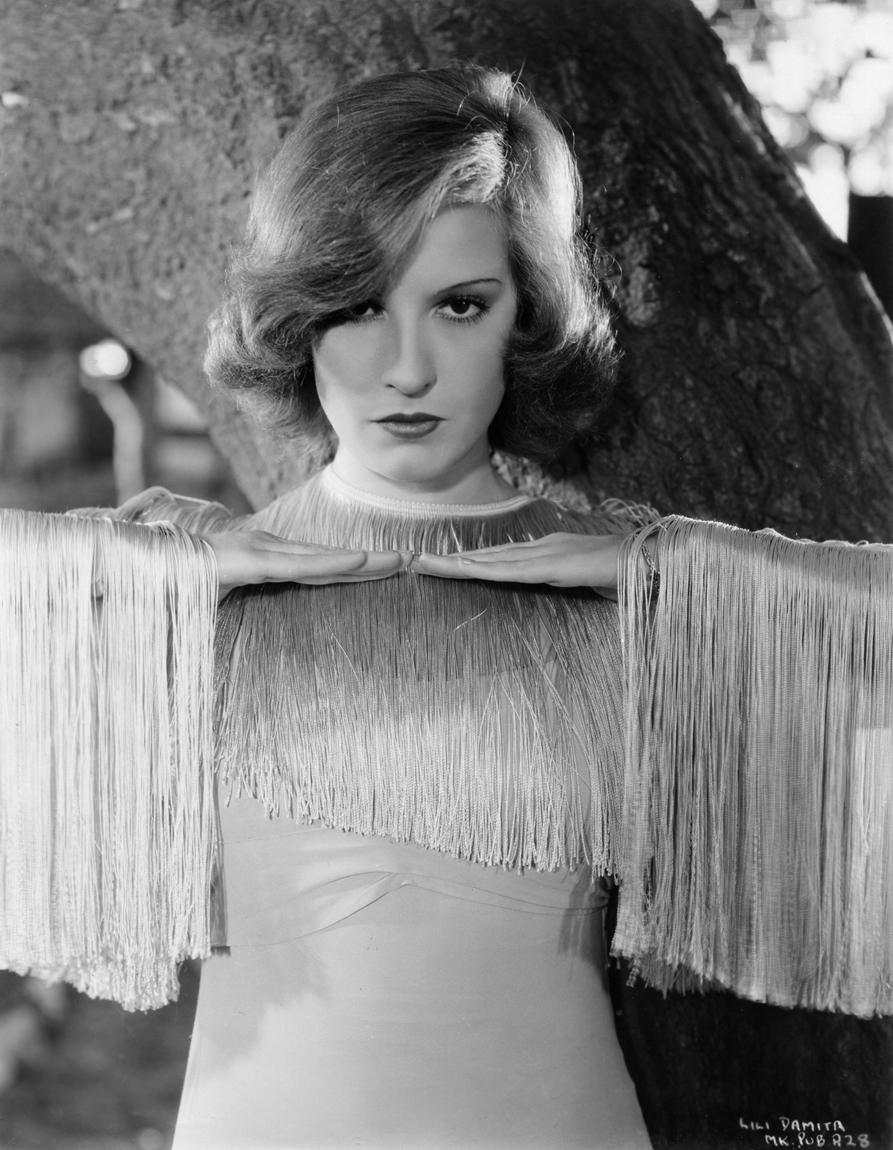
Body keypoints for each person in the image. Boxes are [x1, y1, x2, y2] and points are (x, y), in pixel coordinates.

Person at [1, 64, 891, 1150]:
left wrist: (688, 576)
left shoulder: (645, 591)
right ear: (300, 316)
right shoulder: (164, 586)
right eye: (359, 305)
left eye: (460, 304)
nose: (408, 367)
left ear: (525, 316)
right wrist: (124, 571)